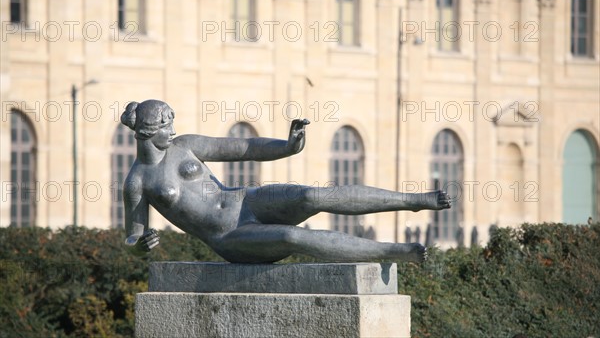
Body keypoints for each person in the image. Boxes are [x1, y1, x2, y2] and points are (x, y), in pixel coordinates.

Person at [121, 99, 451, 263]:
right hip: (231, 235)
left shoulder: (185, 145)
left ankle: (417, 201)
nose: (173, 130)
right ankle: (395, 252)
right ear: (147, 132)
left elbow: (245, 148)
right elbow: (132, 238)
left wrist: (289, 146)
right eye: (166, 125)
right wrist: (142, 245)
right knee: (292, 237)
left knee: (312, 196)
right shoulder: (139, 181)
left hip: (246, 201)